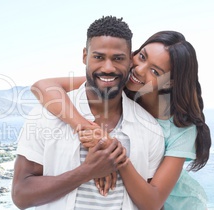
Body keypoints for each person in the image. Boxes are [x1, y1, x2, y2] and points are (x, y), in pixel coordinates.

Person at [31, 30, 211, 209]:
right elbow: (43, 86)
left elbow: (154, 202)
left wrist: (111, 151)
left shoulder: (181, 129)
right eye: (141, 56)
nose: (139, 70)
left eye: (155, 71)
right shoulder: (117, 84)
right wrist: (87, 129)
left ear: (169, 82)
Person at [12, 16, 165, 210]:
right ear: (85, 56)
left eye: (118, 58)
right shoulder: (45, 115)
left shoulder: (150, 130)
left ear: (129, 61)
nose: (108, 68)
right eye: (98, 57)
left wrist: (117, 160)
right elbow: (21, 195)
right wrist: (88, 171)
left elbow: (151, 204)